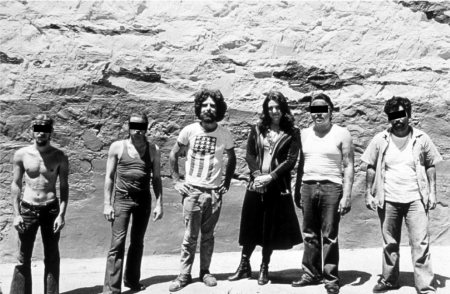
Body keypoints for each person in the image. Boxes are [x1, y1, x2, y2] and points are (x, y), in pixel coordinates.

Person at [361, 96, 441, 294]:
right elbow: (370, 166)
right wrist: (368, 193)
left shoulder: (422, 138)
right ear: (389, 118)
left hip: (416, 199)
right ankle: (389, 280)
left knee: (420, 243)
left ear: (409, 115)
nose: (397, 120)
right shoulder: (380, 139)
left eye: (401, 114)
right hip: (388, 198)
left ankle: (425, 286)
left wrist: (432, 192)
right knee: (390, 243)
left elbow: (430, 164)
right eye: (393, 116)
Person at [228, 91, 302, 285]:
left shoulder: (293, 132)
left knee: (269, 228)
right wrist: (257, 176)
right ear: (266, 110)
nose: (274, 111)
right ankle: (244, 265)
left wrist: (270, 177)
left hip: (276, 187)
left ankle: (264, 266)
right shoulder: (257, 129)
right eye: (270, 108)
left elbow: (291, 160)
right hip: (255, 186)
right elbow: (250, 155)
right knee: (250, 226)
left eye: (277, 107)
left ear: (283, 108)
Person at [169, 88, 236, 292]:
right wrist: (176, 181)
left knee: (208, 235)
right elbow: (173, 154)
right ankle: (183, 274)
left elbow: (231, 158)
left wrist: (226, 183)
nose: (208, 109)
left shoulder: (225, 134)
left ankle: (205, 271)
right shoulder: (189, 130)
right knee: (190, 236)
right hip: (193, 192)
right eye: (204, 105)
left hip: (214, 193)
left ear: (219, 109)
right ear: (199, 108)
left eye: (212, 105)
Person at [292, 93, 354, 294]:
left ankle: (331, 278)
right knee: (309, 234)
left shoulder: (342, 133)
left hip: (331, 187)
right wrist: (297, 189)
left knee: (329, 236)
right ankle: (311, 273)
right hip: (308, 186)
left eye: (322, 109)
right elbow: (301, 164)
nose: (318, 114)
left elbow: (349, 165)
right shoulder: (303, 134)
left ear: (330, 111)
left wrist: (347, 195)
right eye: (314, 110)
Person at [103, 113, 163, 294]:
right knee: (117, 243)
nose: (138, 130)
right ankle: (112, 289)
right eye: (134, 126)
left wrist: (159, 203)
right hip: (122, 199)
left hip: (143, 199)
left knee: (137, 242)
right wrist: (107, 203)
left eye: (142, 126)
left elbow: (157, 178)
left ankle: (132, 280)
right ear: (128, 127)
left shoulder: (153, 150)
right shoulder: (117, 147)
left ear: (146, 128)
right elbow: (109, 177)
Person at [10, 114, 69, 294]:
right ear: (32, 131)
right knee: (22, 257)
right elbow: (16, 184)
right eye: (37, 129)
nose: (41, 134)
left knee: (51, 256)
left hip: (51, 210)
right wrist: (16, 214)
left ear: (51, 132)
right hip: (27, 209)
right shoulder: (21, 154)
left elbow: (64, 186)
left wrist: (61, 214)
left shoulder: (59, 156)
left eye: (45, 130)